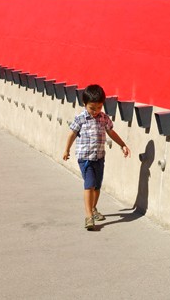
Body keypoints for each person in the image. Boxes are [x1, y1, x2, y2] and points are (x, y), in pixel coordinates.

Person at [62, 84, 131, 230]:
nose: (95, 111)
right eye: (92, 108)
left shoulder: (104, 118)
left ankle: (93, 208)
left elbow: (111, 132)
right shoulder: (80, 119)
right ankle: (88, 216)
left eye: (99, 107)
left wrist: (122, 144)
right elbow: (72, 134)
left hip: (99, 157)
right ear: (84, 104)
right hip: (85, 158)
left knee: (97, 186)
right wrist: (66, 150)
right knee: (89, 184)